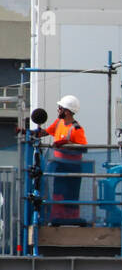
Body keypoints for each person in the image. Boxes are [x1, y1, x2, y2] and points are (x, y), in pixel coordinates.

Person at [41, 95, 89, 224]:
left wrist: (67, 143)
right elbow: (46, 132)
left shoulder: (76, 128)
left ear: (67, 111)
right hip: (59, 165)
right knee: (58, 192)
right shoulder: (58, 123)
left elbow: (83, 148)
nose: (58, 110)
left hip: (72, 167)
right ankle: (58, 217)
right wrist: (28, 132)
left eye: (60, 108)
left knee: (71, 195)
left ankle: (71, 219)